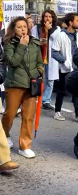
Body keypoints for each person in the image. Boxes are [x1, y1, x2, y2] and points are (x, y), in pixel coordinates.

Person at [2, 17, 43, 158]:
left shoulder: (35, 43)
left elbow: (39, 62)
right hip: (15, 84)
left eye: (25, 26)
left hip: (31, 84)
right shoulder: (9, 43)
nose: (23, 29)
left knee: (28, 116)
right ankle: (4, 136)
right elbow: (12, 62)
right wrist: (21, 46)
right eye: (19, 27)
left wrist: (38, 72)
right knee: (9, 114)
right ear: (14, 29)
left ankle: (25, 146)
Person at [52, 13, 78, 122]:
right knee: (61, 91)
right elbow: (54, 52)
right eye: (77, 20)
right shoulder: (60, 35)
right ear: (70, 22)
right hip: (65, 68)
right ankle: (57, 111)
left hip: (77, 69)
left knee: (77, 92)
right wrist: (63, 60)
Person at [32, 10, 61, 111]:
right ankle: (36, 98)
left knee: (50, 80)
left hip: (51, 58)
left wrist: (48, 31)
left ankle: (46, 100)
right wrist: (43, 34)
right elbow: (33, 40)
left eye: (50, 16)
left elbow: (56, 40)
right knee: (38, 78)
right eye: (46, 16)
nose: (47, 18)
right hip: (39, 57)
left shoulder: (57, 29)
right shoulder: (37, 28)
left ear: (53, 18)